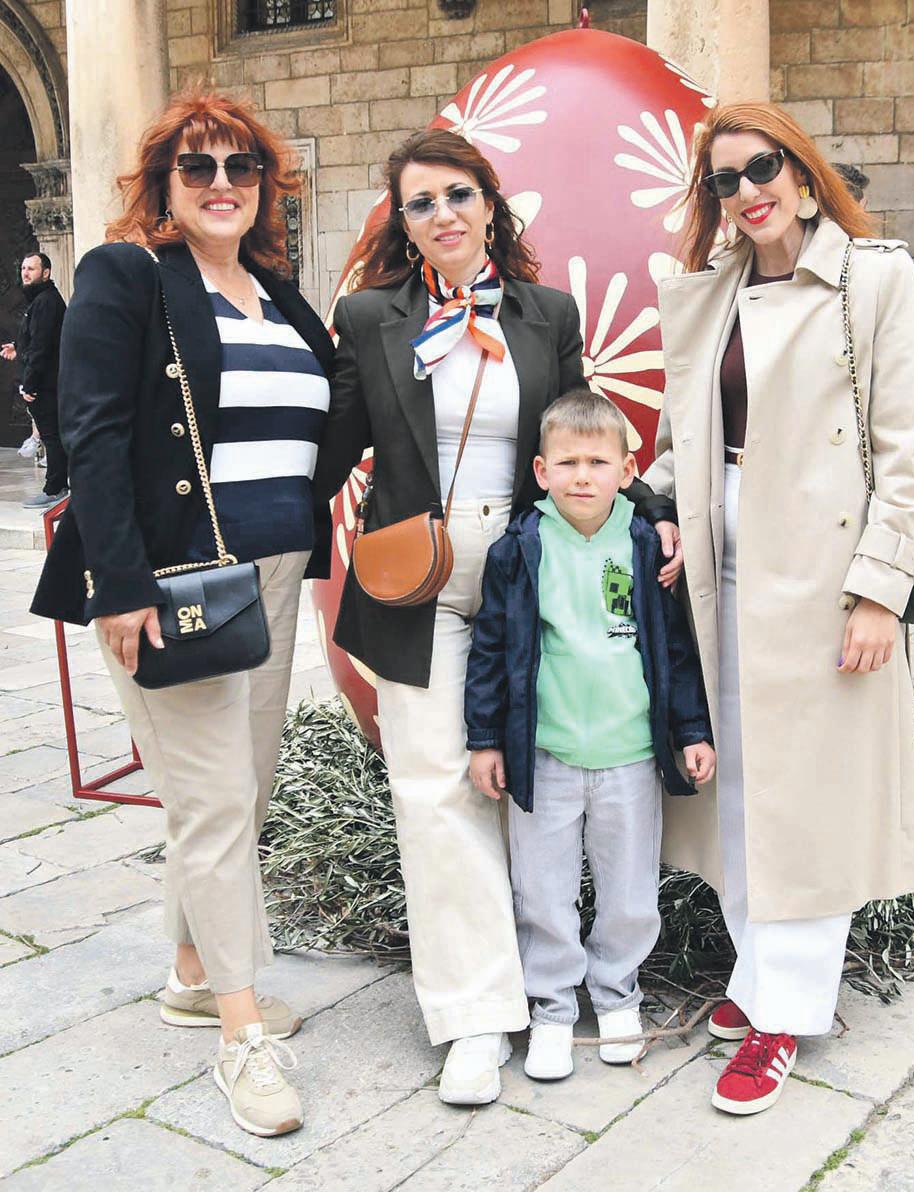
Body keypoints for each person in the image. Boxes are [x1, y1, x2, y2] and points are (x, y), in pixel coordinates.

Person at [316, 129, 673, 1106]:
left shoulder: (546, 313)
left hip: (528, 575)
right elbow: (330, 445)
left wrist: (653, 512)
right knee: (438, 791)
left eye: (458, 194)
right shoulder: (369, 317)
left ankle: (560, 983)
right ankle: (476, 1016)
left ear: (488, 203)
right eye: (420, 201)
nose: (442, 214)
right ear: (404, 222)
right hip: (416, 577)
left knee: (532, 777)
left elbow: (584, 434)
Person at [31, 92, 338, 1138]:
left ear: (265, 185)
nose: (221, 184)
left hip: (276, 574)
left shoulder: (276, 292)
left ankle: (193, 975)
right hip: (175, 582)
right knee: (213, 802)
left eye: (240, 167)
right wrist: (118, 583)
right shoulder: (129, 276)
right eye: (197, 166)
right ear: (163, 183)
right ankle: (242, 1035)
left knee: (240, 792)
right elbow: (92, 429)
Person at [643, 102, 914, 1116]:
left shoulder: (874, 277)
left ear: (804, 174)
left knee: (807, 794)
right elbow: (686, 435)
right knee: (734, 781)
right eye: (723, 180)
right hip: (720, 562)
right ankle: (755, 973)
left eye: (762, 167)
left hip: (823, 573)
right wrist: (657, 510)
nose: (746, 192)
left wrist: (879, 592)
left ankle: (787, 1013)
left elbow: (909, 448)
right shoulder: (715, 289)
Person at [465, 390, 715, 1081]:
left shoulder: (645, 545)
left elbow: (674, 649)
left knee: (629, 892)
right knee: (543, 892)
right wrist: (486, 739)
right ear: (541, 471)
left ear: (627, 470)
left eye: (599, 462)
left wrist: (691, 729)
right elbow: (490, 650)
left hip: (629, 755)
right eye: (568, 462)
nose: (583, 476)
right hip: (546, 755)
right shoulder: (519, 549)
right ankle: (550, 1007)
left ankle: (616, 995)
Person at [0, 252, 68, 508]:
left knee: (52, 436)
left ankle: (55, 488)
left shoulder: (46, 302)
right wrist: (18, 347)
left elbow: (42, 347)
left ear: (46, 273)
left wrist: (30, 384)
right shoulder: (40, 300)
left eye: (31, 269)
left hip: (46, 384)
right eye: (23, 268)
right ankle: (58, 486)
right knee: (52, 434)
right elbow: (37, 338)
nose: (25, 273)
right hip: (45, 381)